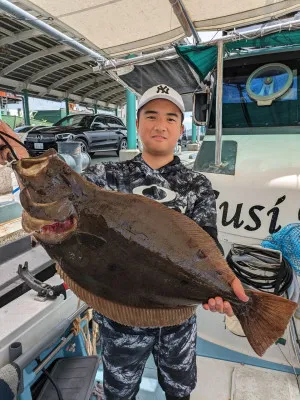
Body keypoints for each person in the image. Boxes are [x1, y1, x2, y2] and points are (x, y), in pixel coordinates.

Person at [0, 85, 248, 400]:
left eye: (171, 118)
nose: (161, 125)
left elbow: (207, 243)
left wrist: (223, 289)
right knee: (120, 392)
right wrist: (18, 149)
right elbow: (56, 192)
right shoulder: (105, 176)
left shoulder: (197, 185)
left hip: (179, 321)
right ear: (137, 124)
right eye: (152, 116)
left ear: (181, 128)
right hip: (120, 322)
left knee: (180, 389)